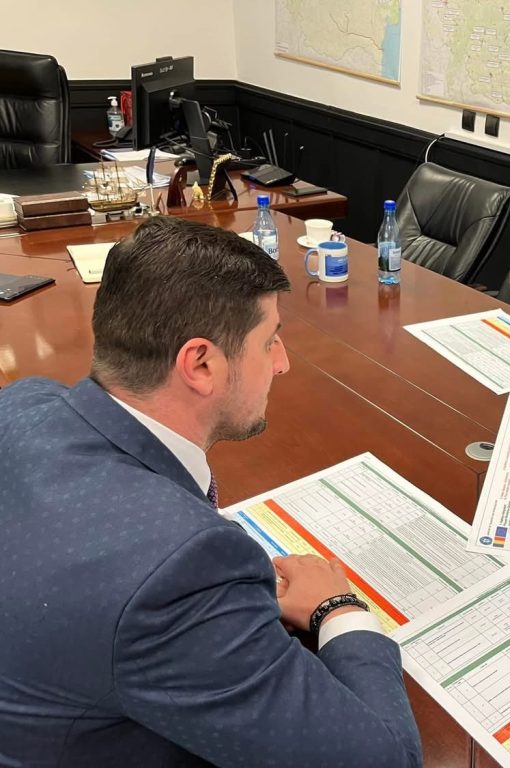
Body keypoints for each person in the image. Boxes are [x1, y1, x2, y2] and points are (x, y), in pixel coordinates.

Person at [0, 217, 422, 767]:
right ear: (200, 363)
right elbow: (386, 761)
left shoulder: (25, 402)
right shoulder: (179, 573)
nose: (282, 363)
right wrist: (336, 609)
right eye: (269, 341)